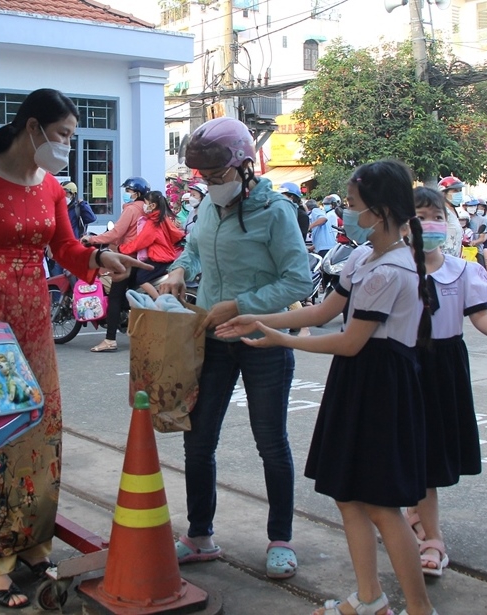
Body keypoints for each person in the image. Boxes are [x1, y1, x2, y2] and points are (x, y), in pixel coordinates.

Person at [0, 88, 149, 610]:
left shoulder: (48, 187)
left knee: (39, 435)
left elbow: (64, 248)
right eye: (64, 134)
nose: (68, 144)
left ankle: (31, 544)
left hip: (35, 324)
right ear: (32, 128)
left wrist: (100, 261)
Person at [215, 159, 437, 615]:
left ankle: (419, 608)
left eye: (354, 205)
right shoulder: (363, 257)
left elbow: (352, 341)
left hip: (380, 387)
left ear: (378, 209)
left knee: (381, 505)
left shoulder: (391, 270)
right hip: (358, 383)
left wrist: (277, 339)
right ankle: (370, 598)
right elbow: (319, 313)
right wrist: (258, 320)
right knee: (348, 495)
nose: (349, 214)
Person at [158, 117, 312, 579]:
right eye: (203, 176)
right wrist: (179, 270)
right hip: (211, 339)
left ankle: (280, 539)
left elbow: (298, 280)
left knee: (270, 442)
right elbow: (194, 250)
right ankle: (200, 535)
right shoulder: (206, 207)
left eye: (217, 174)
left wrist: (240, 306)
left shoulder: (276, 212)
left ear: (245, 167)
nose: (209, 183)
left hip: (263, 339)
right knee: (198, 439)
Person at [404, 187, 487, 579]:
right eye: (419, 216)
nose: (428, 224)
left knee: (430, 455)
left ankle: (432, 537)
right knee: (404, 449)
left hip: (442, 368)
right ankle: (414, 516)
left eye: (436, 216)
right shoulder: (390, 267)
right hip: (399, 365)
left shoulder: (462, 270)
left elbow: (481, 317)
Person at [83, 176, 150, 353]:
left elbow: (115, 233)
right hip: (141, 257)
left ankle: (110, 339)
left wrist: (92, 239)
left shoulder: (131, 210)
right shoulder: (145, 208)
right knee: (125, 296)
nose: (125, 194)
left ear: (136, 193)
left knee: (114, 297)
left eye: (128, 191)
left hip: (127, 258)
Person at [122, 190, 184, 299]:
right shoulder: (162, 218)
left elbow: (139, 243)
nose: (144, 206)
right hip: (167, 256)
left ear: (153, 205)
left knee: (140, 278)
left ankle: (160, 301)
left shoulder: (153, 223)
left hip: (159, 259)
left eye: (145, 203)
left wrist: (122, 249)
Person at [438, 175, 465, 257]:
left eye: (460, 190)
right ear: (443, 193)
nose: (459, 193)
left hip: (455, 262)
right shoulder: (440, 212)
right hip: (443, 262)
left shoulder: (454, 212)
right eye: (455, 190)